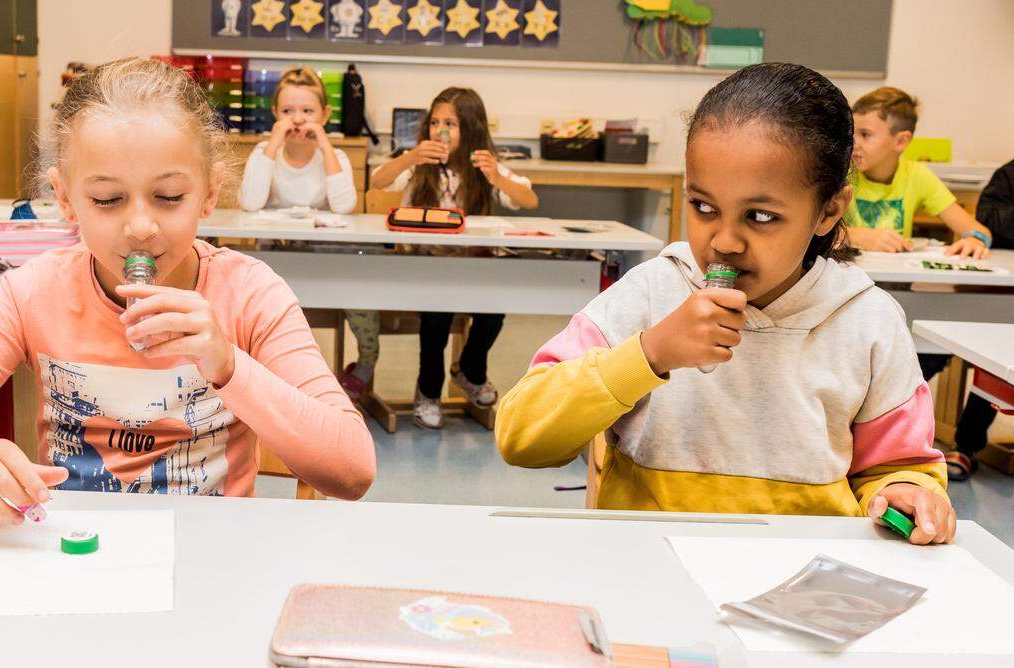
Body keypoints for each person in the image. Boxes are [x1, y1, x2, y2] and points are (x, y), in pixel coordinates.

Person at [0, 57, 375, 526]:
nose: (141, 227)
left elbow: (352, 470)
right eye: (107, 199)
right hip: (73, 551)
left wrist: (229, 366)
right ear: (65, 198)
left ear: (211, 193)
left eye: (169, 197)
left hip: (216, 558)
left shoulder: (251, 292)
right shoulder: (31, 292)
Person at [496, 63, 954, 545]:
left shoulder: (867, 319)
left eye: (760, 216)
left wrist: (907, 489)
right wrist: (648, 355)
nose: (725, 241)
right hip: (649, 569)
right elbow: (522, 437)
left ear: (829, 211)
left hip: (799, 582)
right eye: (703, 207)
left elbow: (898, 466)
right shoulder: (651, 294)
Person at [368, 87, 538, 428]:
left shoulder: (484, 166)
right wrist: (411, 157)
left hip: (476, 266)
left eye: (451, 123)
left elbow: (529, 200)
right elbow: (378, 181)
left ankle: (470, 370)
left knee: (494, 308)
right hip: (429, 264)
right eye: (435, 122)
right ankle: (428, 392)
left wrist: (497, 177)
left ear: (472, 129)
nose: (440, 131)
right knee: (436, 318)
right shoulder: (419, 164)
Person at [921, 158, 1014, 480]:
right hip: (992, 291)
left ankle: (968, 444)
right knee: (951, 347)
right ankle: (916, 434)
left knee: (1001, 358)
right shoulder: (1008, 175)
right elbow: (990, 223)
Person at [846, 86, 989, 258]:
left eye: (865, 134)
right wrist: (852, 235)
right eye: (852, 133)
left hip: (894, 279)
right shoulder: (841, 172)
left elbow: (980, 232)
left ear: (901, 141)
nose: (854, 143)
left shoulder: (917, 175)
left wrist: (975, 240)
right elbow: (812, 230)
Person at [237, 66, 356, 214]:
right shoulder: (263, 152)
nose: (298, 119)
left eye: (307, 111)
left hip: (319, 236)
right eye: (287, 111)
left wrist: (326, 147)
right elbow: (249, 204)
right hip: (273, 235)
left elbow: (344, 207)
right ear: (276, 114)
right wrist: (273, 145)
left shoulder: (336, 157)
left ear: (325, 115)